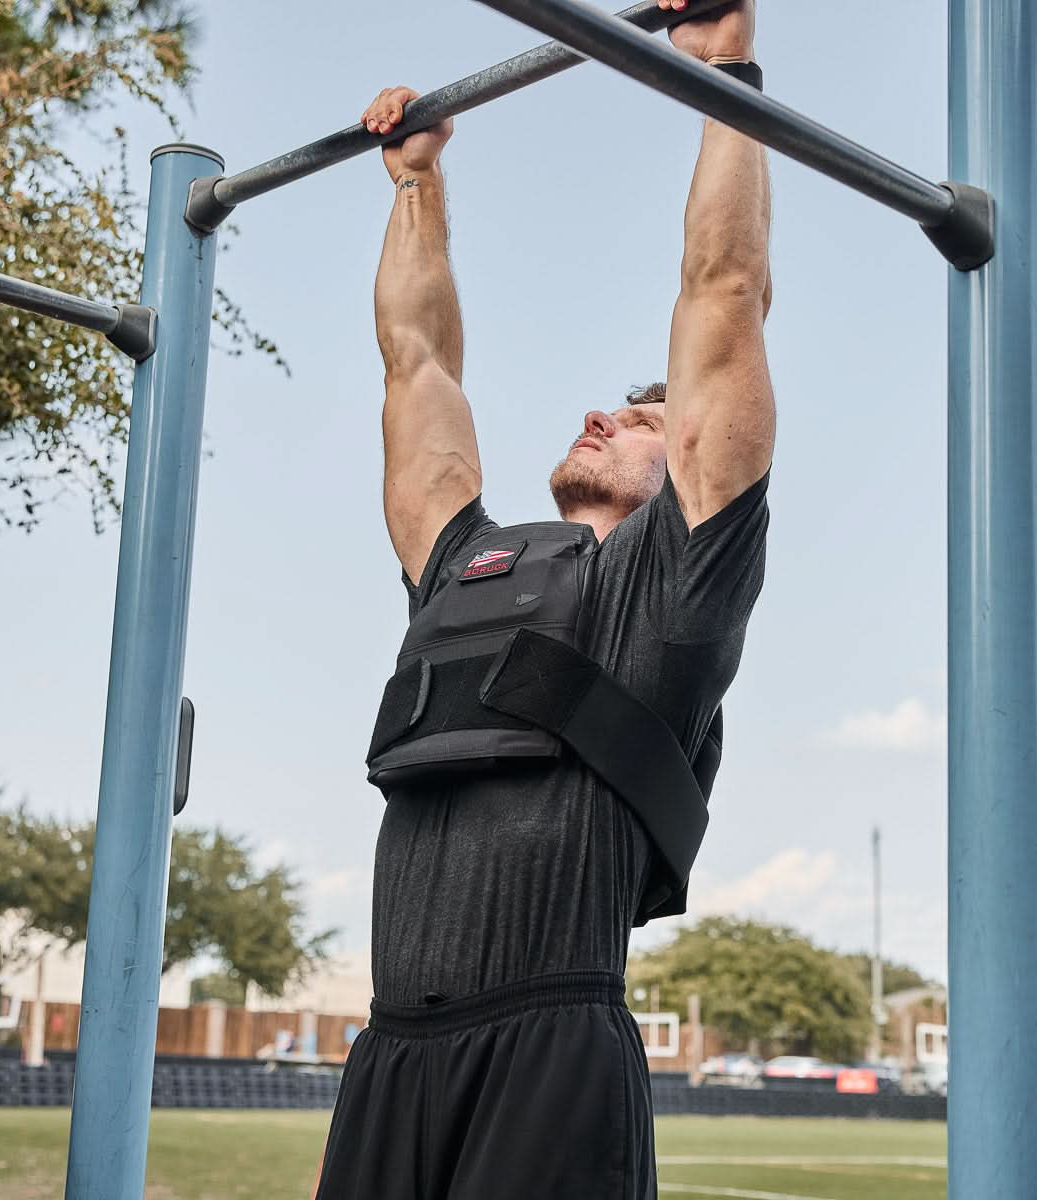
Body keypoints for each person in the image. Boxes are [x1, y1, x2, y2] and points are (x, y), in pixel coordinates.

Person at [314, 1, 774, 1195]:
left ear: (686, 460)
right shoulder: (467, 565)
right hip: (390, 1058)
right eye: (607, 401)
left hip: (552, 1052)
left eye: (643, 413)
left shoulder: (674, 584)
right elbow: (418, 364)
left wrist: (726, 72)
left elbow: (722, 293)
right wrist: (414, 185)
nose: (604, 412)